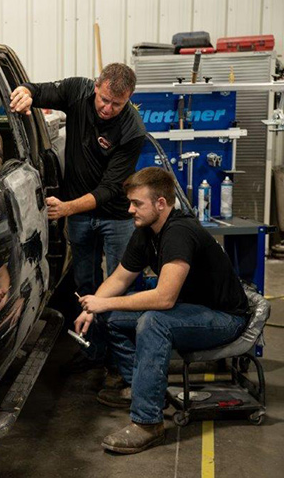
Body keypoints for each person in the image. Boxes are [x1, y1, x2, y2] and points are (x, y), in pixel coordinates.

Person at [74, 167, 249, 454]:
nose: (130, 210)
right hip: (190, 310)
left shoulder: (179, 231)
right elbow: (119, 278)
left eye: (137, 203)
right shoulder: (146, 230)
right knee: (110, 315)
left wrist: (104, 302)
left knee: (154, 321)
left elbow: (165, 298)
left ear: (161, 203)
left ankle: (148, 423)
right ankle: (145, 390)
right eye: (130, 203)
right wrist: (93, 306)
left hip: (223, 318)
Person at [9, 63, 146, 372]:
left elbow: (111, 188)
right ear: (96, 87)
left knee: (118, 290)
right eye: (104, 100)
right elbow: (41, 89)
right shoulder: (76, 90)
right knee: (85, 284)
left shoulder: (133, 130)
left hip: (116, 218)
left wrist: (68, 208)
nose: (108, 109)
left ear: (129, 99)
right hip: (82, 219)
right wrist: (27, 93)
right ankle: (95, 351)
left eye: (118, 104)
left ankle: (124, 368)